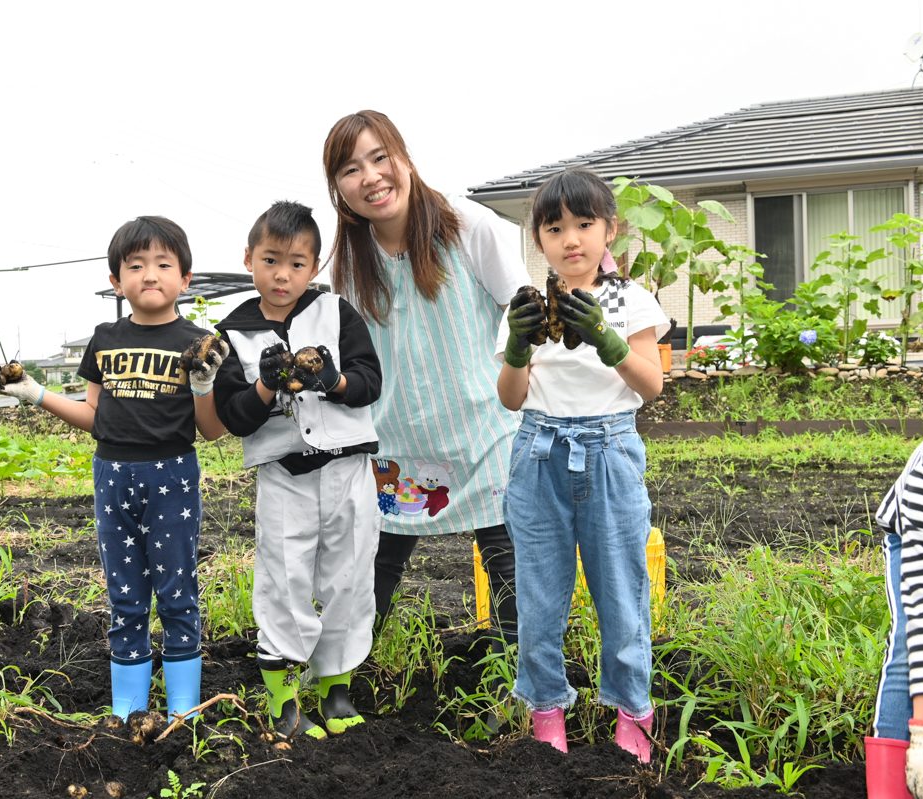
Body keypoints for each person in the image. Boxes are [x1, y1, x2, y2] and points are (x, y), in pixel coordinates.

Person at [0, 216, 227, 722]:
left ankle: (184, 712)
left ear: (185, 278)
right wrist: (35, 393)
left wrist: (204, 386)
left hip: (172, 475)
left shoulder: (199, 343)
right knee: (126, 595)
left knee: (177, 592)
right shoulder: (104, 338)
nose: (150, 274)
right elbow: (94, 416)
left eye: (163, 264)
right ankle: (128, 710)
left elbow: (211, 431)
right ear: (116, 281)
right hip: (113, 476)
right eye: (135, 266)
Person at [322, 111, 525, 653]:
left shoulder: (468, 225)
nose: (370, 177)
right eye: (350, 169)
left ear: (404, 158)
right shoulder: (348, 260)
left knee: (505, 559)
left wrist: (514, 375)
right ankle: (345, 669)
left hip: (485, 433)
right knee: (378, 563)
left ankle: (515, 679)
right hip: (399, 439)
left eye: (380, 157)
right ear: (338, 188)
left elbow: (522, 307)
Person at [497, 168, 666, 761]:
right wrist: (517, 347)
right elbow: (511, 397)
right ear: (538, 240)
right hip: (538, 453)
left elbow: (651, 385)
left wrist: (606, 339)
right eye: (554, 228)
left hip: (609, 452)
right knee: (539, 596)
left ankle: (633, 710)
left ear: (609, 230)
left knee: (621, 592)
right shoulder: (526, 306)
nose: (571, 239)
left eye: (584, 224)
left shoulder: (631, 300)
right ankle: (546, 712)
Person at [210, 200, 382, 738]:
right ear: (248, 259)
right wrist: (265, 385)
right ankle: (283, 702)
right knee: (284, 581)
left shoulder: (336, 313)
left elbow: (369, 381)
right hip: (284, 477)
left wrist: (331, 380)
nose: (282, 275)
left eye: (297, 263)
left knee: (350, 578)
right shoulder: (233, 333)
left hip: (348, 470)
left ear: (315, 266)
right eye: (270, 260)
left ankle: (336, 691)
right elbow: (234, 417)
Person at [869, 438, 923, 799]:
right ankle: (890, 788)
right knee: (907, 644)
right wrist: (921, 734)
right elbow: (922, 616)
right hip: (915, 538)